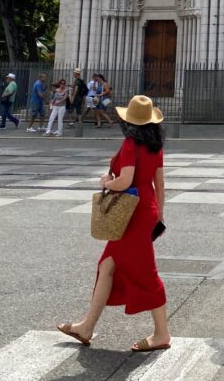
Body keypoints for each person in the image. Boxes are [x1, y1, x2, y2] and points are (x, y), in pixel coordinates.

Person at [58, 94, 169, 352]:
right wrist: (159, 215)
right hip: (145, 210)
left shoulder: (131, 142)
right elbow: (160, 183)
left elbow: (126, 180)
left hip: (132, 214)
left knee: (146, 273)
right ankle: (87, 326)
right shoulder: (155, 145)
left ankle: (162, 333)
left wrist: (106, 182)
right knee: (107, 266)